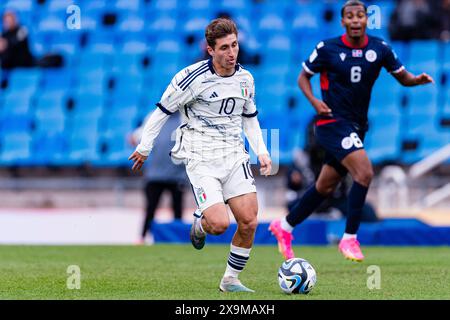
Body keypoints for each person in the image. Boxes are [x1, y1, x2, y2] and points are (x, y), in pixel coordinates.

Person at [269, 0, 434, 262]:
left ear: (366, 20)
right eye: (350, 16)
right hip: (331, 122)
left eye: (360, 15)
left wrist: (417, 80)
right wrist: (314, 102)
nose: (356, 20)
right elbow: (303, 77)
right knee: (364, 172)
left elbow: (403, 77)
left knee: (324, 186)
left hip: (357, 125)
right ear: (343, 21)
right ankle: (349, 239)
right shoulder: (327, 48)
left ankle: (285, 226)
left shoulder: (379, 48)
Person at [129, 18, 272, 292]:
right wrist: (144, 147)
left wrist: (262, 152)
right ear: (210, 50)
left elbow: (250, 118)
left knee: (249, 220)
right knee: (219, 225)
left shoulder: (246, 78)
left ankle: (230, 280)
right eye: (224, 48)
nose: (232, 53)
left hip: (234, 157)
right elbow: (161, 112)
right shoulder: (190, 78)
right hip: (202, 159)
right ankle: (201, 221)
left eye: (234, 45)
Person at [129, 113, 188, 245]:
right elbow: (135, 137)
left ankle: (178, 239)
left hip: (177, 175)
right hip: (155, 175)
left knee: (177, 209)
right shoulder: (154, 116)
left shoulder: (185, 117)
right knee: (150, 208)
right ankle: (142, 237)